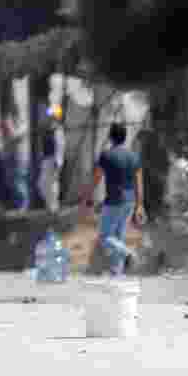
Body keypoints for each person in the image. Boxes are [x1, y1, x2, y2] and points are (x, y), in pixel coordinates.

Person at [80, 123, 146, 277]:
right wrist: (140, 205)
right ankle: (117, 272)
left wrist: (87, 197)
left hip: (114, 201)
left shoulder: (106, 155)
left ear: (110, 137)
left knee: (105, 237)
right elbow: (139, 182)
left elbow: (96, 179)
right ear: (125, 137)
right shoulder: (133, 156)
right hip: (130, 201)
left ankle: (128, 253)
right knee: (118, 237)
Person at [38, 105, 66, 213]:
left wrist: (58, 161)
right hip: (47, 159)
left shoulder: (58, 130)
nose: (49, 117)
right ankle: (50, 205)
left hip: (53, 160)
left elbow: (60, 146)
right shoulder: (50, 129)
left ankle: (53, 207)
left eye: (52, 116)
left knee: (51, 183)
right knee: (42, 184)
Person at [0, 114, 30, 212]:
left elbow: (14, 136)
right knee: (11, 183)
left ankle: (23, 205)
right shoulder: (10, 126)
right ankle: (16, 204)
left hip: (19, 159)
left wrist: (8, 126)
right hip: (10, 157)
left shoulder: (23, 126)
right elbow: (7, 140)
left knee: (19, 181)